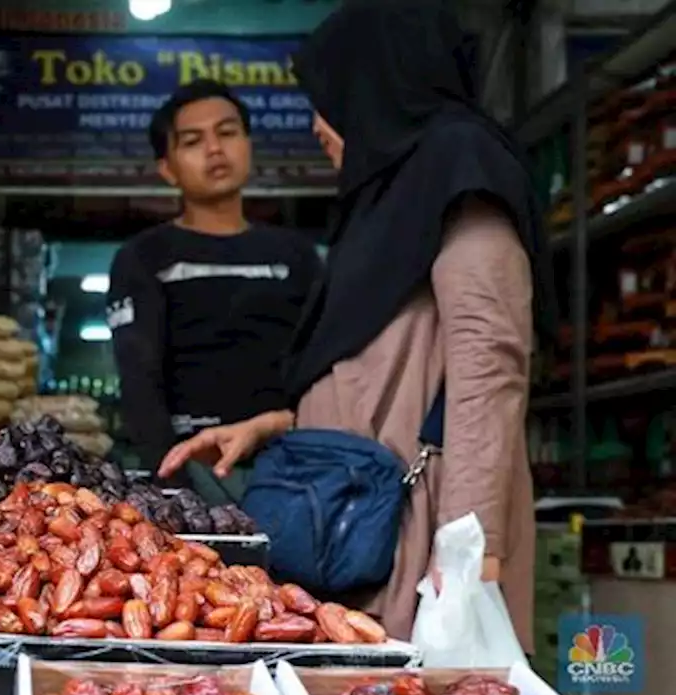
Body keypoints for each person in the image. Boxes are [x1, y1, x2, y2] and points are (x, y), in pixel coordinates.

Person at [158, 0, 553, 653]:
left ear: (378, 82)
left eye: (331, 96)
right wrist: (273, 427)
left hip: (423, 533)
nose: (318, 123)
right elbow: (366, 374)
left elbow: (488, 367)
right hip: (358, 522)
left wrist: (468, 559)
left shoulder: (463, 172)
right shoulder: (390, 201)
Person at [107, 80, 320, 494]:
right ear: (167, 167)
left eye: (227, 133)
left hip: (294, 468)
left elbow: (323, 370)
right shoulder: (144, 258)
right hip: (195, 471)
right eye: (193, 140)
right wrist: (176, 488)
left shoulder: (297, 256)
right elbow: (139, 387)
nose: (215, 149)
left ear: (248, 143)